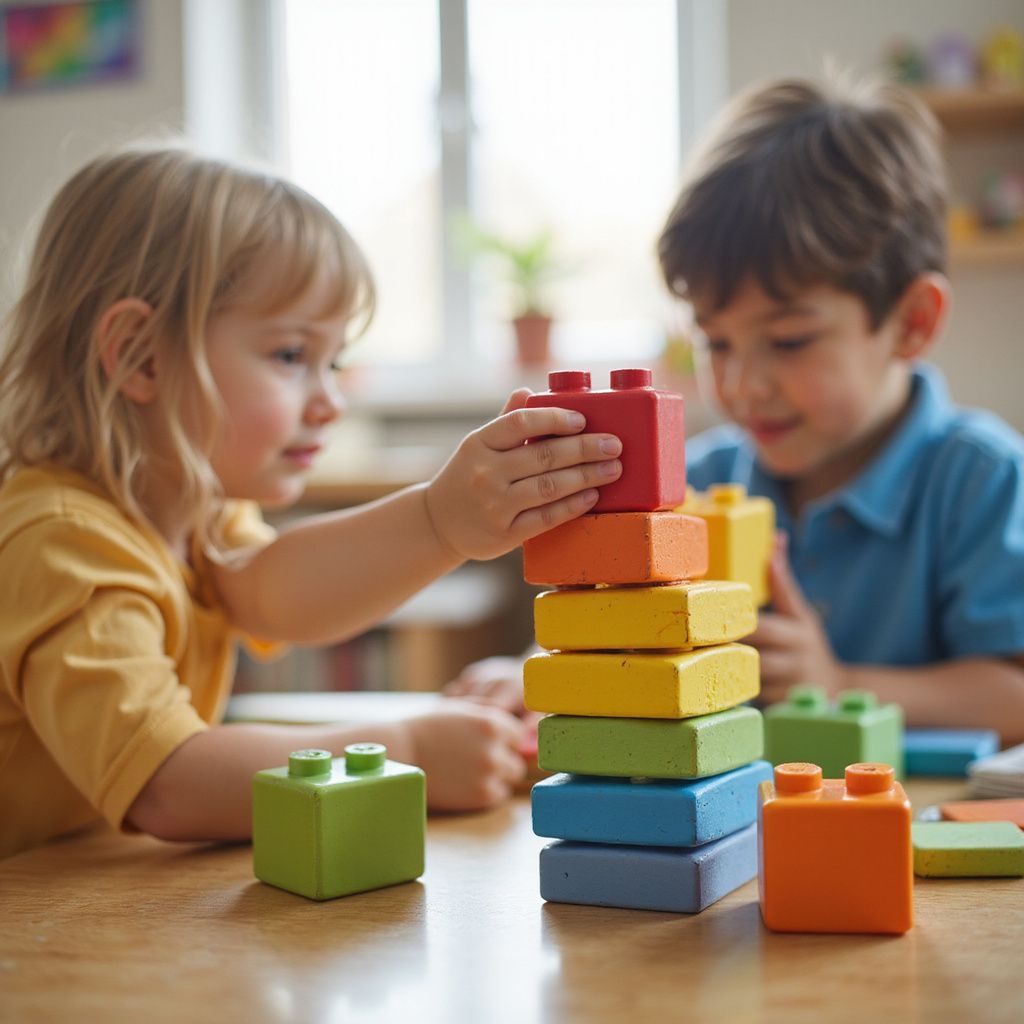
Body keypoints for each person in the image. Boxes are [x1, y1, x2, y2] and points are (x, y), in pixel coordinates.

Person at [0, 146, 624, 859]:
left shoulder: (195, 513)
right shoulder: (59, 538)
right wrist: (407, 746)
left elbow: (277, 595)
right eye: (292, 356)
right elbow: (167, 782)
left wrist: (442, 524)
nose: (329, 401)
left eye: (333, 361)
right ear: (141, 355)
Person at [449, 73, 1024, 745]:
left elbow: (1013, 695)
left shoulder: (982, 480)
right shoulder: (690, 484)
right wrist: (535, 674)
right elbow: (605, 625)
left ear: (912, 323)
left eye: (788, 341)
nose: (743, 384)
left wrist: (837, 683)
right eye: (715, 342)